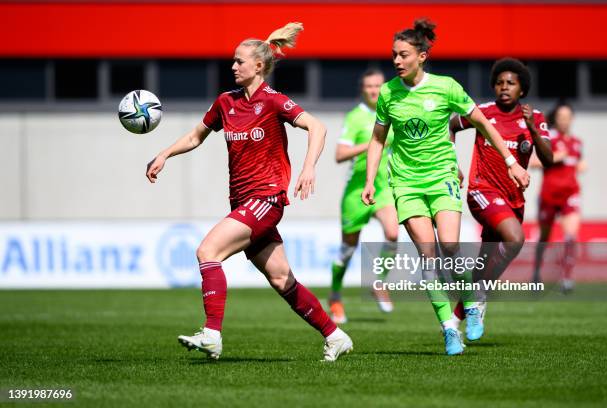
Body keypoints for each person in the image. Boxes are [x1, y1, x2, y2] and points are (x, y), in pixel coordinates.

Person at [145, 22, 353, 362]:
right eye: (233, 61)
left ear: (258, 66)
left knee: (207, 251)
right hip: (245, 202)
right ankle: (335, 335)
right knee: (282, 279)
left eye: (239, 61)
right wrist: (165, 153)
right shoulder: (225, 103)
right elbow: (197, 136)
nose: (233, 67)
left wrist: (308, 167)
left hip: (267, 198)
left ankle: (212, 334)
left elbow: (318, 126)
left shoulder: (274, 102)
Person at [362, 20, 530, 355]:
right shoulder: (389, 94)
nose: (396, 61)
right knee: (427, 255)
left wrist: (511, 162)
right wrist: (370, 179)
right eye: (393, 54)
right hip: (406, 184)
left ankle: (470, 301)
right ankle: (449, 329)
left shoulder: (446, 87)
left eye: (404, 55)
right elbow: (378, 140)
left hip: (441, 178)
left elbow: (481, 122)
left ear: (421, 56)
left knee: (450, 247)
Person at [449, 58, 553, 337]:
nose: (503, 87)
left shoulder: (536, 118)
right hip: (482, 191)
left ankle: (456, 320)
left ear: (522, 88)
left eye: (511, 83)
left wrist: (531, 128)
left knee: (484, 263)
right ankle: (480, 294)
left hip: (513, 199)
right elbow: (450, 125)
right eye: (499, 83)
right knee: (515, 238)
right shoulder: (483, 112)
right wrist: (453, 163)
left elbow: (548, 158)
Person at [329, 69, 398, 324]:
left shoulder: (392, 113)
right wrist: (372, 143)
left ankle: (378, 282)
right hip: (356, 192)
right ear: (363, 89)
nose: (374, 90)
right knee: (347, 251)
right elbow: (339, 154)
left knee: (393, 234)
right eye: (369, 86)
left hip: (383, 189)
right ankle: (335, 296)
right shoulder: (355, 117)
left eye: (378, 86)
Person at [532, 102, 585, 292]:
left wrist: (580, 166)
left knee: (570, 237)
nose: (564, 120)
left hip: (570, 194)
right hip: (549, 195)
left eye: (567, 117)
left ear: (571, 119)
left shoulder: (577, 143)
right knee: (544, 238)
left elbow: (576, 163)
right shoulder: (550, 138)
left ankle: (567, 278)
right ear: (555, 119)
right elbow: (533, 162)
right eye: (560, 117)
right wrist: (554, 157)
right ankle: (536, 272)